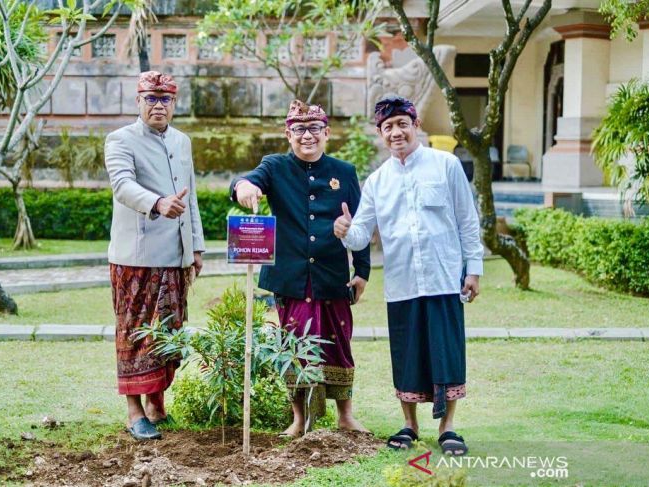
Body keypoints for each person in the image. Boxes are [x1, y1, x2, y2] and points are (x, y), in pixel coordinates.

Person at [333, 96, 483, 456]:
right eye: (388, 127)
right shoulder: (377, 182)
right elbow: (360, 235)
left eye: (402, 123)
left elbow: (467, 219)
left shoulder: (446, 165)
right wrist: (344, 229)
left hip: (444, 276)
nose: (396, 132)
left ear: (415, 125)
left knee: (446, 352)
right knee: (407, 353)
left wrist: (473, 269)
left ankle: (448, 428)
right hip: (401, 282)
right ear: (381, 134)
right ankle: (410, 425)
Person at [230, 100, 371, 437]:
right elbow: (247, 181)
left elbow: (361, 224)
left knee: (339, 343)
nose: (307, 136)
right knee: (294, 345)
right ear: (288, 134)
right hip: (292, 278)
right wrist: (243, 187)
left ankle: (345, 415)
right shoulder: (275, 166)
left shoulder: (344, 172)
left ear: (327, 133)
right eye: (299, 130)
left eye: (314, 129)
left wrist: (362, 271)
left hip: (333, 275)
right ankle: (299, 418)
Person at [104, 71, 205, 441]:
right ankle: (134, 413)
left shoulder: (182, 141)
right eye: (151, 99)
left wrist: (196, 246)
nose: (158, 105)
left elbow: (190, 195)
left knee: (168, 333)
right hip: (136, 258)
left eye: (165, 100)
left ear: (174, 104)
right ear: (138, 102)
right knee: (134, 335)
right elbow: (122, 186)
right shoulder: (120, 140)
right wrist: (158, 203)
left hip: (175, 257)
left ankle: (157, 405)